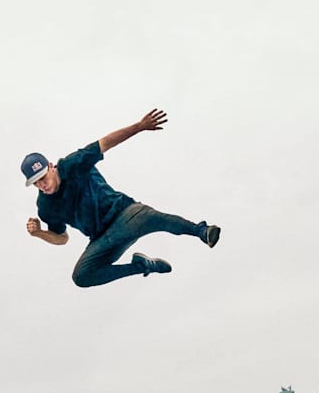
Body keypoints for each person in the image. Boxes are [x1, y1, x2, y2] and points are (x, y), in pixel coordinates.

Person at [22, 109, 219, 287]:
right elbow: (62, 238)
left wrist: (139, 127)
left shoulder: (73, 164)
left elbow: (105, 143)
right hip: (102, 240)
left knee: (152, 218)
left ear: (50, 166)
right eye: (36, 183)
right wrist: (39, 233)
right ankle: (142, 266)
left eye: (43, 178)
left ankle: (201, 231)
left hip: (125, 215)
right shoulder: (45, 207)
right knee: (81, 276)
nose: (42, 185)